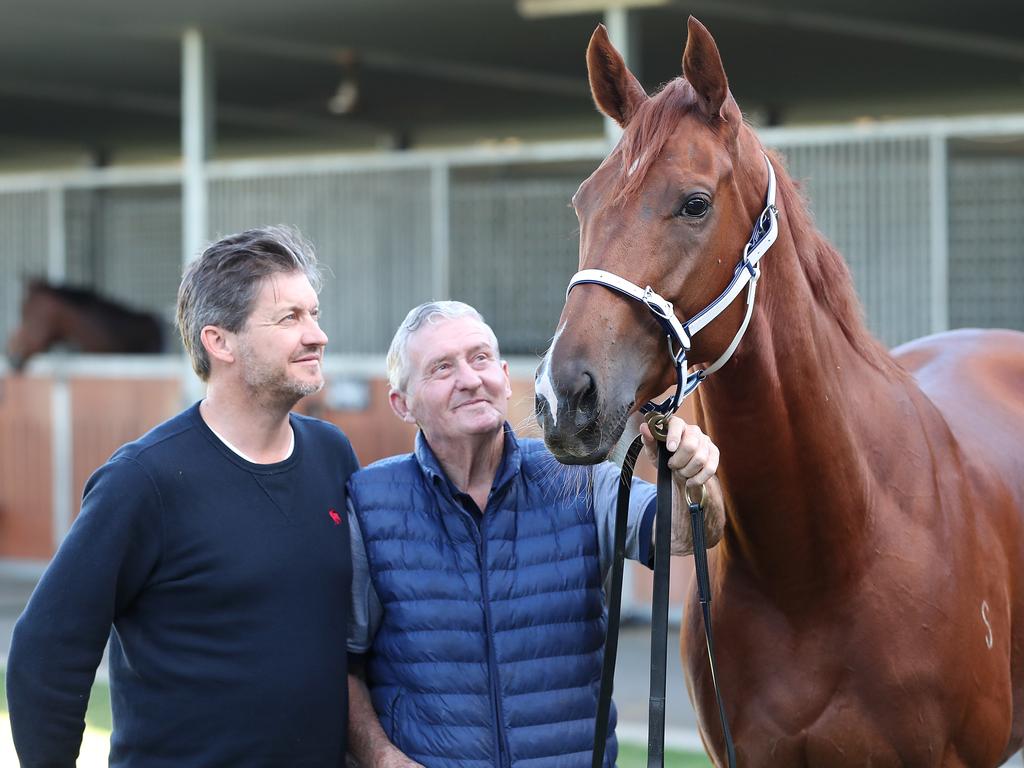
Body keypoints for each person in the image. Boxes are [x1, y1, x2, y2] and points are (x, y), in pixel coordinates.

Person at [7, 226, 359, 768]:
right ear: (220, 342)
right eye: (289, 318)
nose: (317, 335)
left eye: (313, 313)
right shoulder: (142, 481)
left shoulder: (333, 454)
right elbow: (45, 654)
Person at [345, 300, 725, 767]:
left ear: (504, 378)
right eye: (442, 367)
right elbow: (345, 663)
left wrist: (696, 481)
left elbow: (688, 535)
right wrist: (381, 758)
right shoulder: (369, 502)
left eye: (480, 358)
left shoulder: (577, 476)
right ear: (401, 403)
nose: (469, 378)